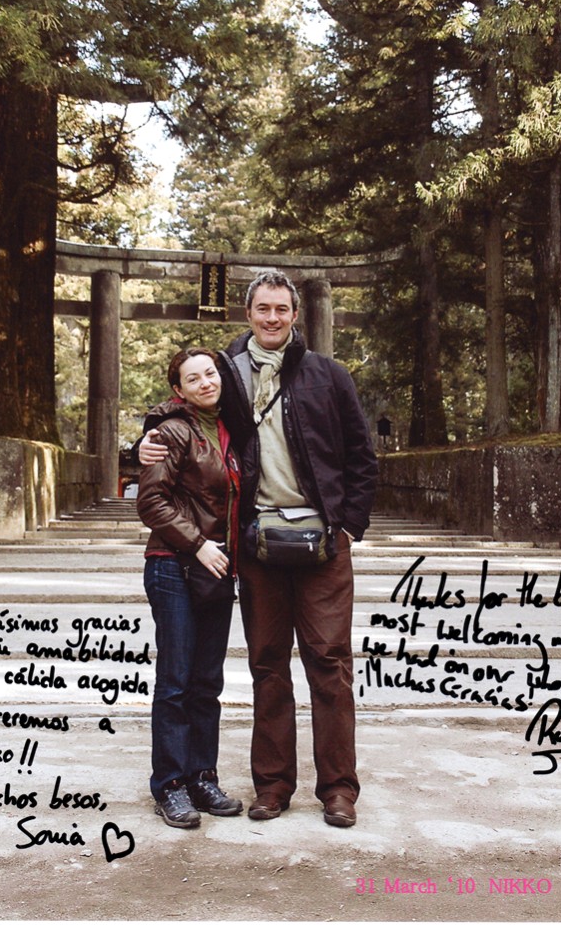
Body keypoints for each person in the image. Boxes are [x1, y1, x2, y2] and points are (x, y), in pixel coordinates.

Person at [139, 271, 378, 828]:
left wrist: (347, 525)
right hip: (256, 542)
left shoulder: (328, 375)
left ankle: (338, 789)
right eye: (263, 308)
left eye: (281, 309)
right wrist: (144, 438)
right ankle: (272, 786)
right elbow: (183, 404)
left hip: (323, 542)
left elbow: (361, 455)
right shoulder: (227, 372)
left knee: (330, 664)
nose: (272, 318)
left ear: (295, 314)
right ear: (248, 313)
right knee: (268, 665)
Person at [136, 347, 243, 829]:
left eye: (210, 373)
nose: (205, 382)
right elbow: (150, 501)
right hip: (174, 566)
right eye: (193, 378)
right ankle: (170, 785)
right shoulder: (172, 431)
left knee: (207, 683)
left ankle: (203, 777)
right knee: (176, 682)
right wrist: (198, 545)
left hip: (216, 569)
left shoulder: (233, 429)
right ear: (179, 390)